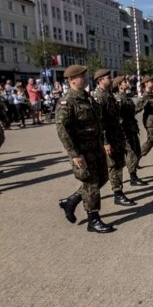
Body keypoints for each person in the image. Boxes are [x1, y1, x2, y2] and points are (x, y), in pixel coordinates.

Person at [55, 65, 115, 234]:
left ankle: (71, 200)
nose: (85, 78)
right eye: (81, 76)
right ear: (71, 80)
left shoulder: (87, 97)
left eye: (85, 75)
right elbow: (63, 130)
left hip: (95, 147)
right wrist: (75, 154)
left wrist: (103, 142)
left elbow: (97, 122)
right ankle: (93, 219)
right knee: (91, 183)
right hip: (82, 150)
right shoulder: (67, 101)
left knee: (102, 177)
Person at [91, 69, 134, 207]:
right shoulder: (99, 97)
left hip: (116, 136)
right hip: (108, 138)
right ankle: (118, 193)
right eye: (108, 77)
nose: (111, 79)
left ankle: (74, 198)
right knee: (112, 166)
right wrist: (105, 142)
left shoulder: (108, 94)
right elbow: (100, 122)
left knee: (117, 164)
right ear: (100, 80)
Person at [115, 75, 146, 186]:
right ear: (119, 85)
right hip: (125, 131)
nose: (127, 83)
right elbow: (118, 117)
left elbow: (132, 112)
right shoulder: (119, 99)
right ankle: (133, 177)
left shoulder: (127, 97)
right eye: (124, 82)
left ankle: (131, 172)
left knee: (137, 151)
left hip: (132, 128)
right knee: (132, 153)